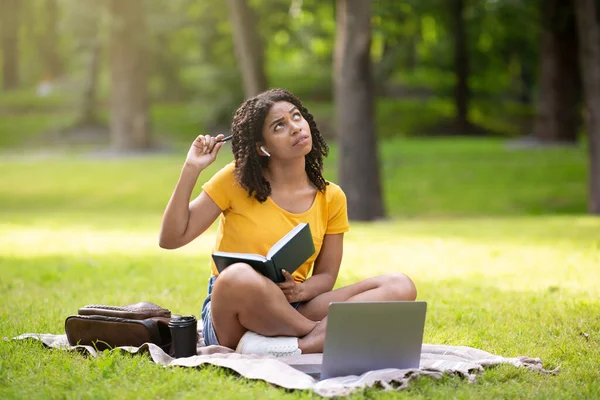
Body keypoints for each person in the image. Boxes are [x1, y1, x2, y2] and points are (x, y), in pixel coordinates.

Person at [159, 88, 417, 357]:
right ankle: (318, 334)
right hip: (234, 311)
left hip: (293, 304)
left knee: (399, 285)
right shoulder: (236, 179)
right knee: (235, 276)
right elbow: (170, 239)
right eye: (279, 126)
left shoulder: (331, 197)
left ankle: (297, 345)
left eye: (296, 117)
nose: (295, 128)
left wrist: (300, 290)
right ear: (262, 146)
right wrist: (192, 168)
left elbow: (327, 276)